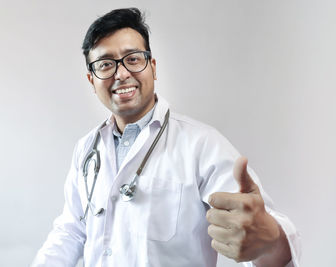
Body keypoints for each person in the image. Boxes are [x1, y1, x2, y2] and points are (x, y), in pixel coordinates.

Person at [32, 8, 300, 267]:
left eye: (133, 58)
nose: (121, 73)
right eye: (105, 64)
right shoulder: (87, 149)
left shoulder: (201, 144)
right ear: (92, 80)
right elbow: (71, 230)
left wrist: (271, 241)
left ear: (153, 67)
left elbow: (256, 225)